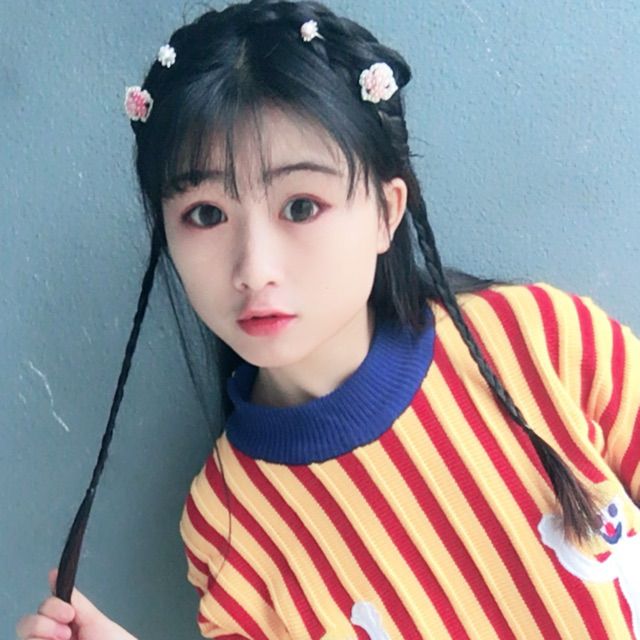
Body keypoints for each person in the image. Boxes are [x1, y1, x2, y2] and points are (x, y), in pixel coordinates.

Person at [16, 0, 640, 638]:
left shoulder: (538, 338)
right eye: (205, 214)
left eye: (301, 206)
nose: (254, 268)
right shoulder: (226, 526)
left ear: (386, 212)